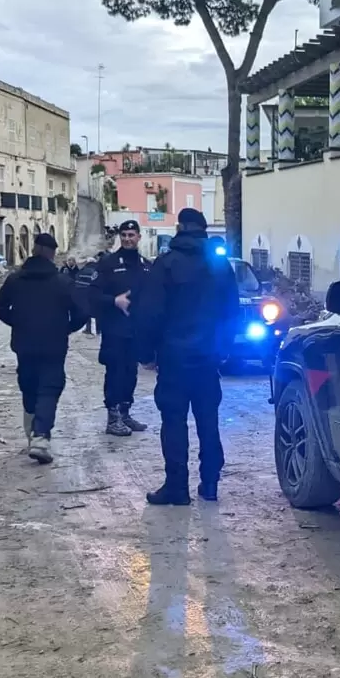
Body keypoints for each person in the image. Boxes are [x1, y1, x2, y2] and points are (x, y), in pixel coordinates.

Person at [135, 208, 238, 505]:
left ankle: (177, 487)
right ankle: (210, 483)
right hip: (208, 358)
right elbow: (232, 311)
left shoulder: (166, 264)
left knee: (174, 421)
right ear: (204, 230)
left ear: (179, 227)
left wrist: (146, 353)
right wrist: (223, 348)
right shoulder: (220, 266)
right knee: (208, 419)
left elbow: (150, 312)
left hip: (174, 359)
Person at [0, 233, 89, 464]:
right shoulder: (63, 282)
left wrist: (18, 321)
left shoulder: (15, 279)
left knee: (29, 386)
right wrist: (65, 328)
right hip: (53, 344)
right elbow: (82, 313)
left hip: (24, 344)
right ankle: (41, 436)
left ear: (34, 250)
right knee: (50, 388)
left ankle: (31, 434)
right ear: (52, 253)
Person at [91, 220, 150, 437]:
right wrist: (114, 301)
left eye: (131, 235)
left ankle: (125, 413)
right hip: (114, 330)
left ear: (138, 237)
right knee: (115, 373)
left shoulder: (145, 265)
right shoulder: (108, 263)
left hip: (136, 331)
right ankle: (113, 417)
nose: (127, 238)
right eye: (124, 235)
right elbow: (92, 295)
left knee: (131, 373)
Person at [74, 252, 103, 335]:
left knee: (87, 312)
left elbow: (77, 282)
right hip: (95, 295)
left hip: (84, 295)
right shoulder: (97, 271)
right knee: (97, 312)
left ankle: (88, 329)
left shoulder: (82, 270)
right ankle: (98, 330)